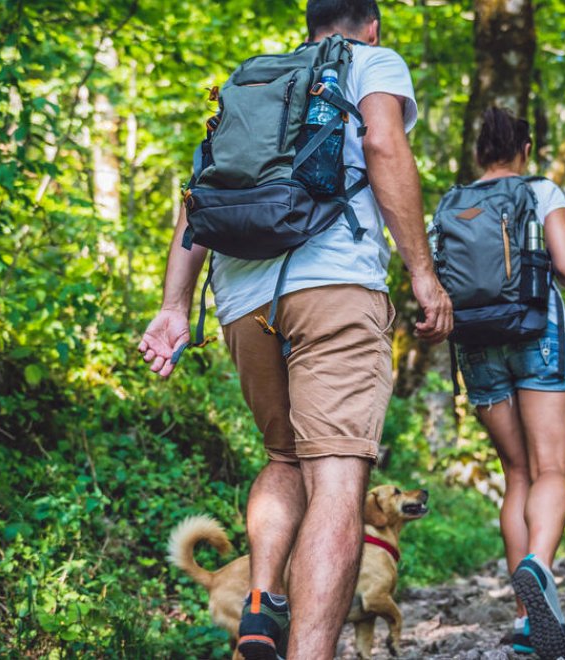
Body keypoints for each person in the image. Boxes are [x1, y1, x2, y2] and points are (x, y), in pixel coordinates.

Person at [137, 1, 452, 657]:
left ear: (310, 25)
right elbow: (384, 145)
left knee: (285, 458)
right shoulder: (371, 61)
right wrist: (423, 272)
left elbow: (199, 192)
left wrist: (174, 305)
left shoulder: (253, 79)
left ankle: (261, 601)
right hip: (333, 286)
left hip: (240, 295)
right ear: (371, 24)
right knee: (337, 476)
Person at [455, 107, 565, 659]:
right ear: (524, 149)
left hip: (477, 341)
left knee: (516, 475)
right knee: (551, 469)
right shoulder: (540, 189)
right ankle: (539, 565)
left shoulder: (454, 202)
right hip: (537, 332)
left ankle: (527, 619)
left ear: (480, 152)